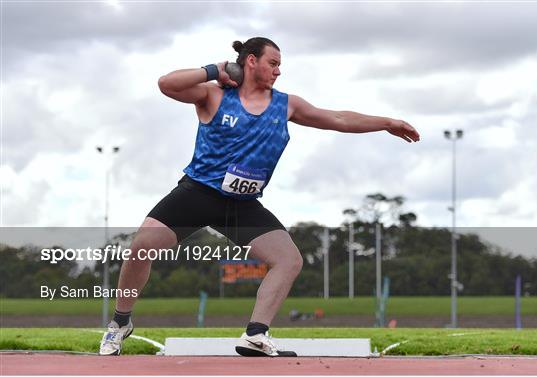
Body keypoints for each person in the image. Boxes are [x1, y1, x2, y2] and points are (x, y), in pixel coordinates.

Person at [98, 37, 420, 357]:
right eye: (273, 63)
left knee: (289, 259)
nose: (278, 71)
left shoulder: (286, 105)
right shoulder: (214, 95)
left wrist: (386, 123)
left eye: (280, 65)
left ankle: (255, 334)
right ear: (250, 61)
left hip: (241, 205)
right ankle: (120, 322)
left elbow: (337, 119)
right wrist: (217, 69)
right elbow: (167, 84)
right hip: (198, 191)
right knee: (142, 246)